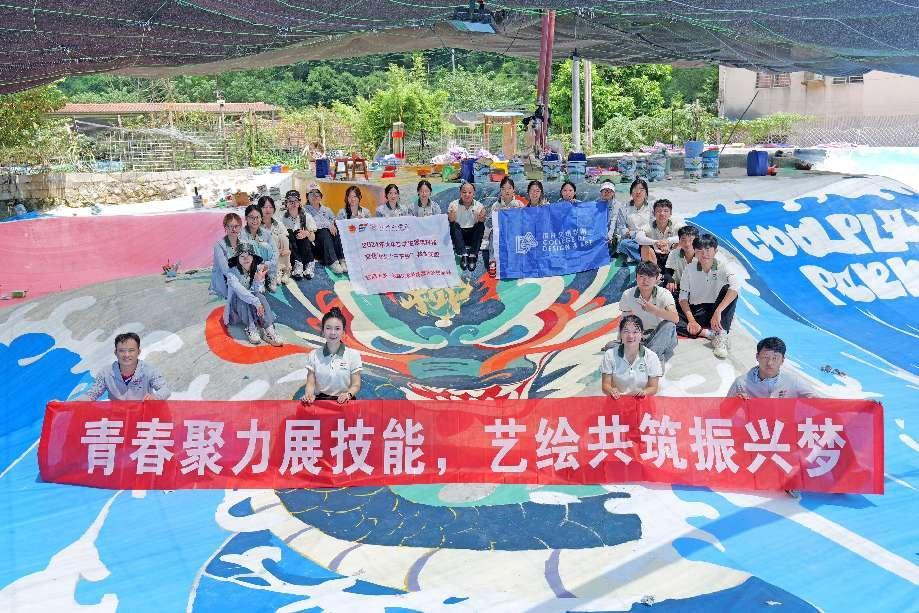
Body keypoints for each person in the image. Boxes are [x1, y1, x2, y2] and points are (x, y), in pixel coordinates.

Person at [677, 233, 739, 359]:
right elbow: (683, 297)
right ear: (695, 252)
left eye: (708, 249)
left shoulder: (723, 266)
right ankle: (707, 333)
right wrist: (692, 321)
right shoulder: (689, 269)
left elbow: (735, 287)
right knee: (668, 315)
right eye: (699, 250)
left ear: (715, 251)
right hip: (697, 311)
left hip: (716, 309)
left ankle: (720, 334)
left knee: (729, 290)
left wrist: (718, 311)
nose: (704, 253)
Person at [614, 261, 679, 364]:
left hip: (662, 336)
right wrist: (621, 340)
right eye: (641, 276)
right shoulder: (628, 294)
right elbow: (624, 319)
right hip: (641, 337)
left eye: (650, 277)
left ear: (657, 279)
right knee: (612, 347)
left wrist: (654, 310)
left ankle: (649, 359)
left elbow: (675, 318)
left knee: (669, 325)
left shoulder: (664, 294)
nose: (645, 280)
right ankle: (652, 357)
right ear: (636, 277)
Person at [80, 332, 171, 400]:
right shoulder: (105, 373)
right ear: (115, 352)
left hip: (142, 416)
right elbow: (92, 393)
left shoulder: (150, 371)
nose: (126, 355)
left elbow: (165, 390)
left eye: (131, 350)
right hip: (117, 416)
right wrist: (83, 400)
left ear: (138, 352)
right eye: (122, 351)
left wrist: (155, 397)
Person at [224, 243, 283, 346]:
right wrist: (256, 302)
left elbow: (257, 291)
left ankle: (269, 329)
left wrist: (258, 281)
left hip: (252, 302)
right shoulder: (231, 273)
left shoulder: (255, 269)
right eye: (242, 256)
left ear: (252, 257)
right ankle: (251, 327)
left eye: (249, 255)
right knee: (243, 298)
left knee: (260, 297)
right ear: (237, 259)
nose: (246, 259)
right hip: (237, 307)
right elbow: (241, 292)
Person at [301, 306, 362, 404]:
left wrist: (348, 394)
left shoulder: (353, 355)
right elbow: (310, 383)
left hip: (345, 402)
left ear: (343, 332)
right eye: (328, 328)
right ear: (323, 331)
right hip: (320, 402)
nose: (333, 333)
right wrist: (309, 395)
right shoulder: (314, 355)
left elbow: (356, 384)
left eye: (337, 329)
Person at [728, 337, 816, 399]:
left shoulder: (792, 381)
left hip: (782, 421)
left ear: (782, 360)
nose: (770, 363)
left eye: (775, 358)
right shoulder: (741, 383)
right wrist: (735, 402)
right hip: (754, 421)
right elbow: (724, 411)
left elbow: (818, 401)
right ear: (757, 357)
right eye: (766, 357)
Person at [600, 315, 663, 398]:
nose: (630, 336)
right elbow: (605, 385)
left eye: (635, 332)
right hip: (619, 399)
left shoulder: (651, 357)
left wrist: (644, 392)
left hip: (642, 399)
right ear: (620, 334)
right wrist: (611, 390)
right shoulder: (609, 355)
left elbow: (653, 387)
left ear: (642, 334)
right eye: (626, 331)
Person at [483, 176, 523, 277]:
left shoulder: (519, 204)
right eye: (504, 188)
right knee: (493, 233)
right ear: (500, 191)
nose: (507, 191)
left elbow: (525, 222)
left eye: (509, 188)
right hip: (501, 234)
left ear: (513, 190)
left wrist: (519, 212)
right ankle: (493, 262)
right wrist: (494, 216)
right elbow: (489, 223)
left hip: (515, 233)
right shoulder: (495, 206)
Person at [304, 184, 347, 275]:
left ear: (321, 196)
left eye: (317, 194)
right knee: (324, 231)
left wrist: (333, 225)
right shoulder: (304, 210)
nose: (315, 196)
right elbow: (312, 225)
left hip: (329, 243)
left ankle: (342, 259)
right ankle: (333, 262)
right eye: (311, 194)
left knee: (337, 229)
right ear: (307, 197)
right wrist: (328, 225)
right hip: (315, 242)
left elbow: (333, 220)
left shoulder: (327, 210)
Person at [447, 181, 487, 272]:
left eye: (470, 192)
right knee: (454, 225)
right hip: (459, 235)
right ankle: (463, 254)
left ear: (474, 194)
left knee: (480, 225)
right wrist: (451, 217)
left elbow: (482, 221)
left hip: (472, 234)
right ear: (460, 193)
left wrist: (481, 218)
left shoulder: (479, 206)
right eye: (464, 192)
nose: (467, 195)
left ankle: (472, 255)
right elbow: (450, 221)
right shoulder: (453, 205)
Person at [239, 203, 279, 290]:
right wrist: (259, 266)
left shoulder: (266, 233)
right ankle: (258, 279)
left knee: (267, 247)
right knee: (252, 247)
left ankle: (271, 277)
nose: (255, 220)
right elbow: (244, 258)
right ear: (246, 218)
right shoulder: (241, 234)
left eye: (257, 217)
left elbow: (275, 251)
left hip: (267, 265)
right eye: (251, 217)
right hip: (251, 266)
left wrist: (268, 264)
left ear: (261, 218)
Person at [281, 189, 317, 280]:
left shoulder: (306, 216)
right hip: (292, 251)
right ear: (286, 203)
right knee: (289, 233)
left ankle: (309, 263)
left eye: (296, 201)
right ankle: (298, 263)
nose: (293, 204)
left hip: (305, 248)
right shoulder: (282, 218)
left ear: (299, 202)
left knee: (299, 231)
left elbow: (313, 238)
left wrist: (307, 233)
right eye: (290, 201)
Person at [616, 178, 652, 262]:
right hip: (631, 239)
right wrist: (629, 233)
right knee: (623, 244)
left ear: (646, 193)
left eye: (641, 189)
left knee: (651, 243)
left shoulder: (651, 208)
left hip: (647, 238)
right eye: (635, 189)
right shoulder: (624, 208)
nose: (638, 192)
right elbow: (621, 227)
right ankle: (648, 258)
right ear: (631, 192)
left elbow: (654, 224)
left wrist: (643, 234)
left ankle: (636, 256)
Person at [636, 198, 680, 268]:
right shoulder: (648, 225)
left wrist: (667, 241)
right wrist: (656, 242)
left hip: (671, 256)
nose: (662, 214)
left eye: (666, 211)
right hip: (654, 256)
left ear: (671, 213)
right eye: (658, 211)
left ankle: (676, 270)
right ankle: (652, 272)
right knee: (644, 246)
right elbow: (638, 238)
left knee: (681, 243)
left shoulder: (676, 223)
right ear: (654, 213)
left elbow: (688, 235)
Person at [259, 195, 292, 285]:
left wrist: (286, 249)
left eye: (270, 207)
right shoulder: (257, 224)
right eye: (264, 207)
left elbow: (286, 238)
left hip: (281, 253)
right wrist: (274, 250)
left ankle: (286, 271)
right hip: (266, 255)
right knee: (272, 239)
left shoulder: (278, 223)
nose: (268, 210)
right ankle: (275, 271)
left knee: (283, 238)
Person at [210, 212, 242, 298]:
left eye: (236, 226)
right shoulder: (219, 245)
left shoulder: (243, 243)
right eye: (230, 226)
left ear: (240, 227)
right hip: (224, 279)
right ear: (225, 227)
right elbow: (225, 270)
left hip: (239, 276)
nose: (234, 229)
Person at [664, 225, 698, 297]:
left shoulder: (703, 254)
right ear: (679, 240)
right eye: (683, 239)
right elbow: (668, 271)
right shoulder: (674, 253)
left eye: (691, 240)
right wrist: (670, 280)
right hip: (680, 286)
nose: (687, 243)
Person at [600, 180, 627, 257]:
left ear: (613, 193)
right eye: (605, 190)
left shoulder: (617, 205)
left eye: (609, 191)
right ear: (601, 192)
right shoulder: (596, 204)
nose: (607, 192)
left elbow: (614, 221)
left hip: (613, 235)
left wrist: (610, 236)